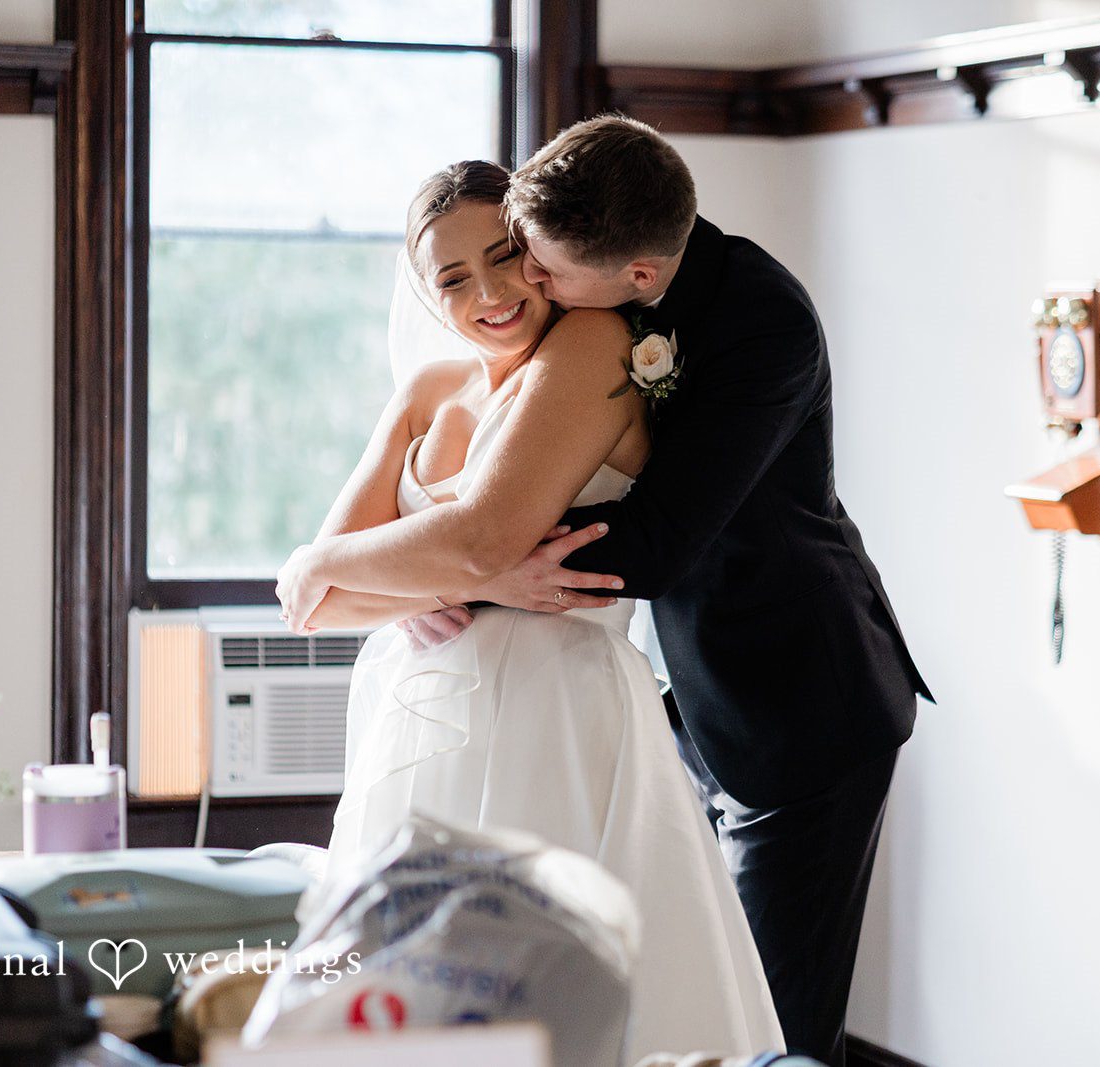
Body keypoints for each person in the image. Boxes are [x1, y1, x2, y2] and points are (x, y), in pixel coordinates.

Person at [387, 116, 933, 1067]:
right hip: (693, 698)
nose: (530, 286)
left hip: (801, 704)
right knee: (690, 995)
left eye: (539, 267)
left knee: (771, 1025)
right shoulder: (609, 277)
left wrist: (472, 567)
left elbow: (656, 545)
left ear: (638, 277)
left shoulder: (765, 326)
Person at [275, 159, 783, 1061]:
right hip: (419, 718)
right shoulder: (427, 393)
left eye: (506, 256)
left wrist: (340, 562)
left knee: (564, 993)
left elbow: (470, 539)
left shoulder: (590, 343)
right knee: (402, 996)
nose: (491, 292)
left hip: (559, 713)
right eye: (453, 279)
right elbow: (321, 603)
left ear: (539, 252)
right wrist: (435, 582)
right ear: (427, 298)